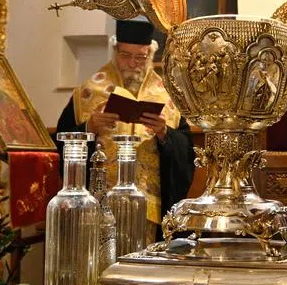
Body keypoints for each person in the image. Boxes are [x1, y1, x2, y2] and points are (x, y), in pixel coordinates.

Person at [55, 18, 195, 239]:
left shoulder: (167, 96)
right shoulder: (89, 91)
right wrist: (90, 126)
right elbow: (61, 142)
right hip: (100, 204)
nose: (132, 63)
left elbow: (186, 150)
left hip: (150, 206)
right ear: (115, 51)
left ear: (150, 55)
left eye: (140, 56)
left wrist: (164, 134)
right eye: (126, 55)